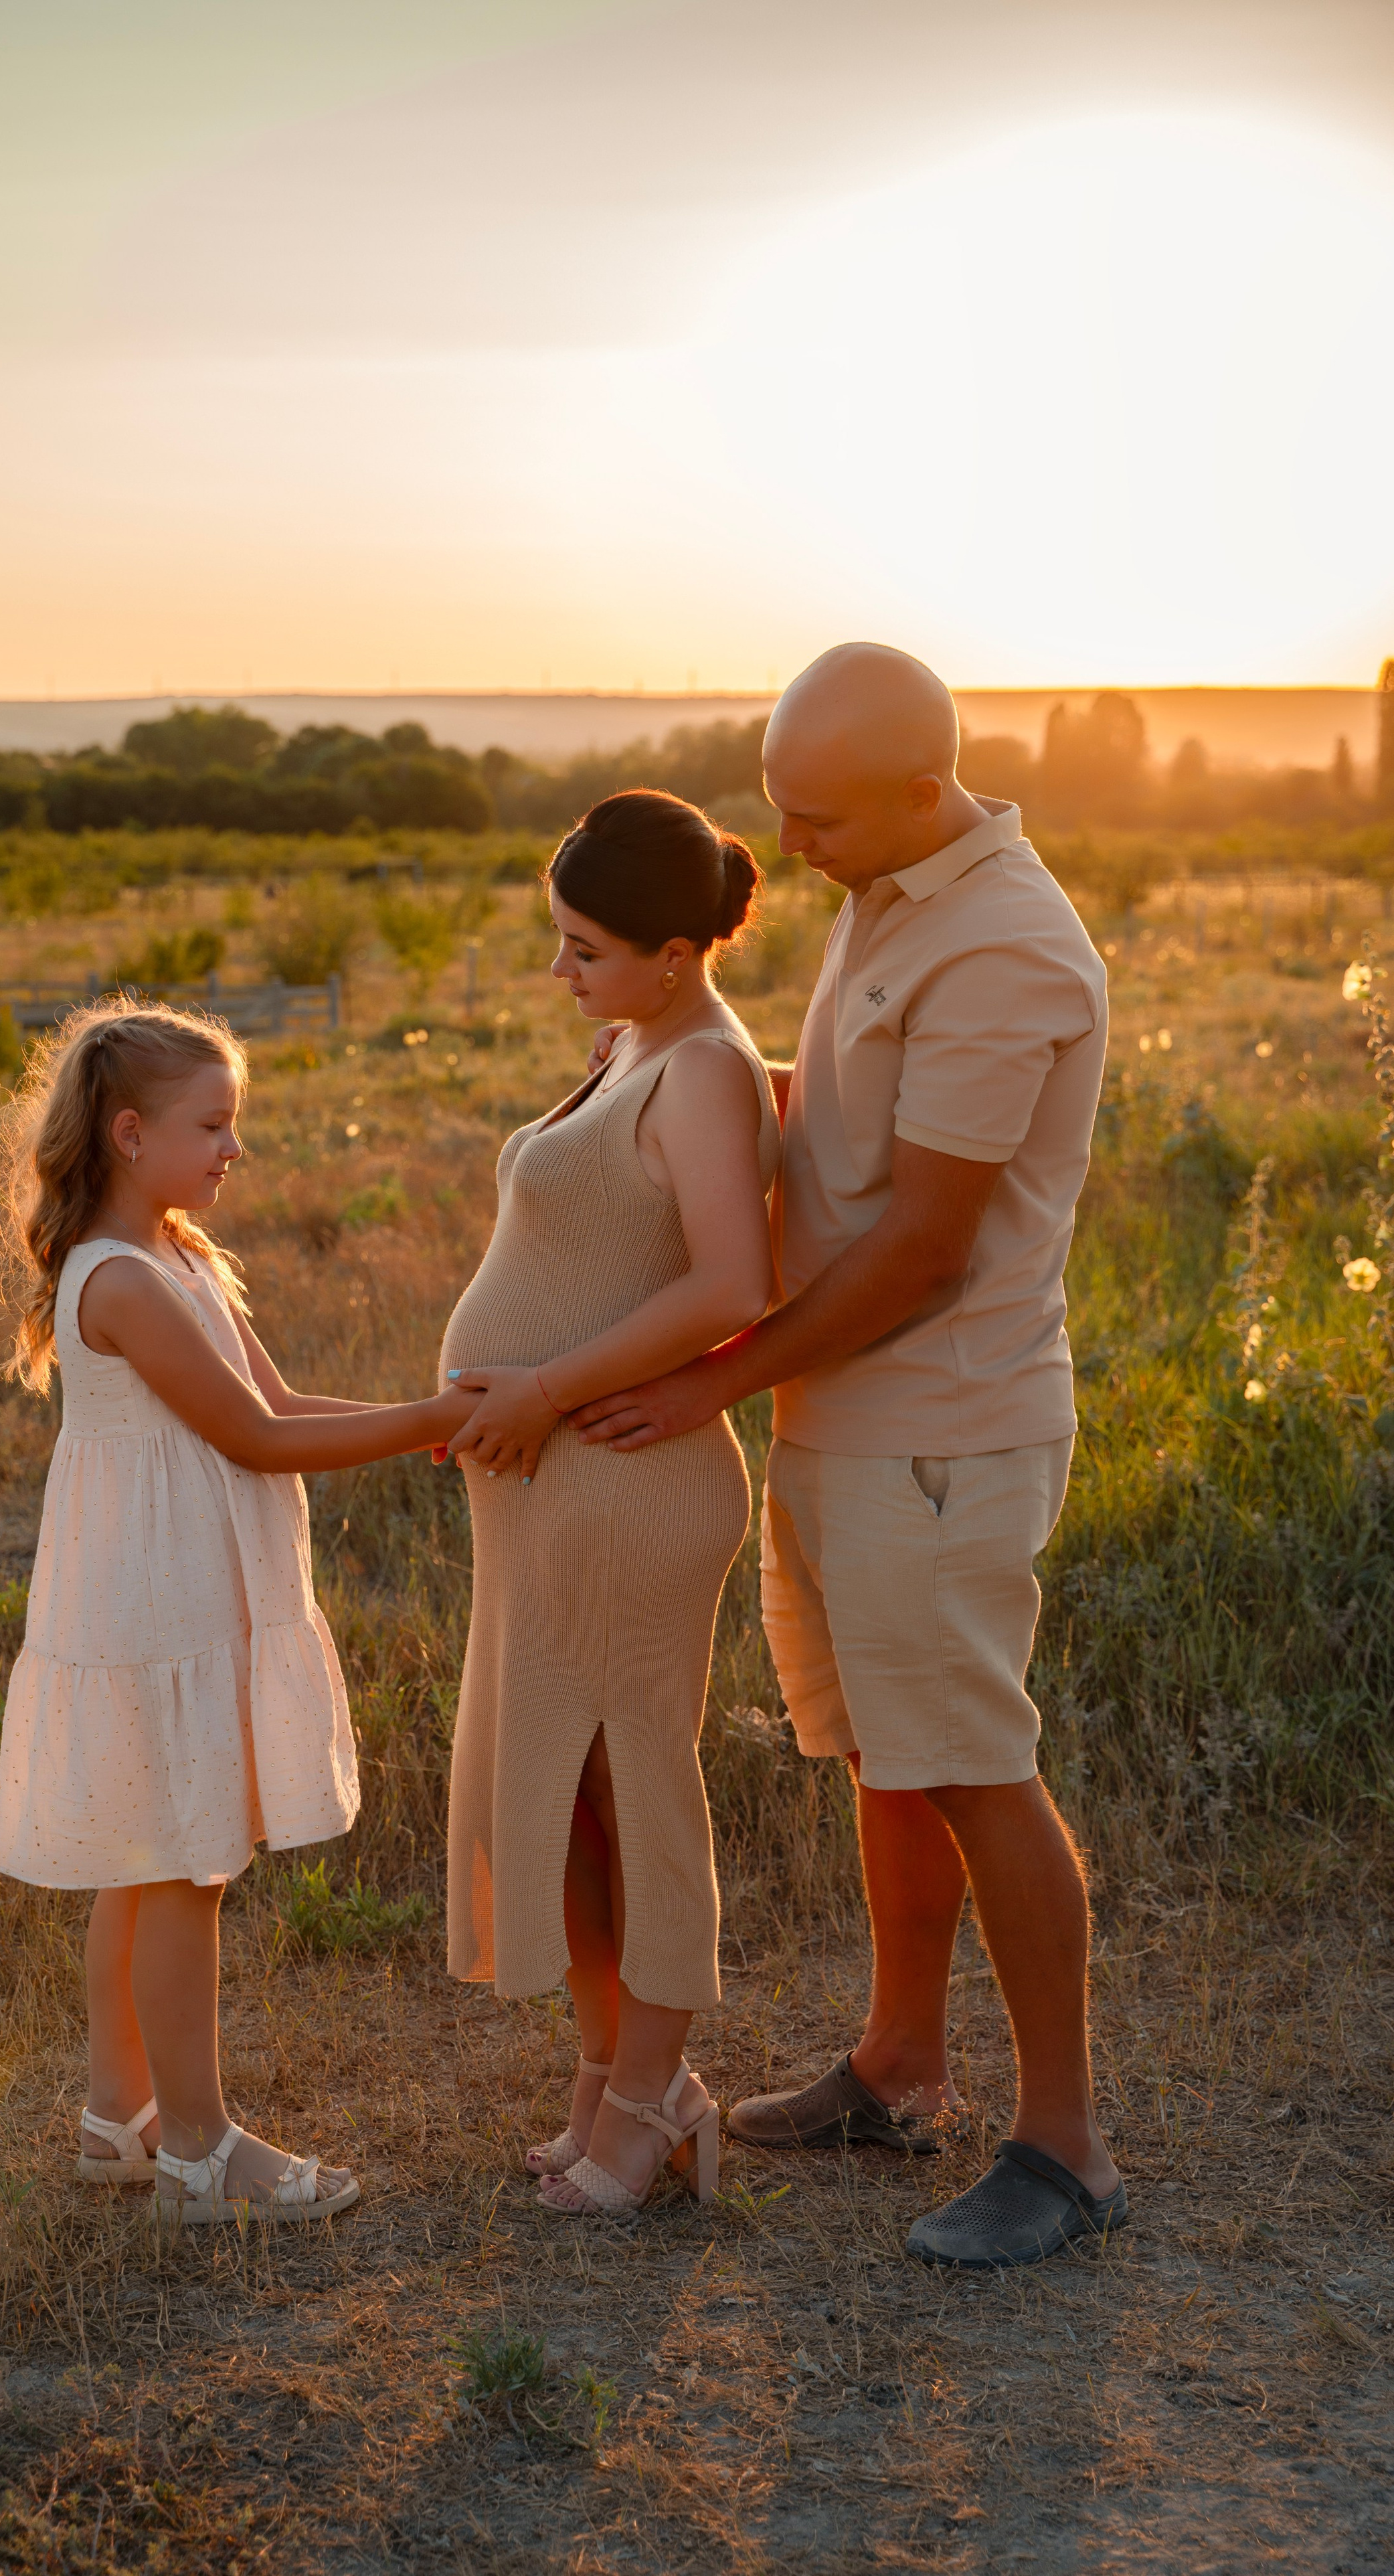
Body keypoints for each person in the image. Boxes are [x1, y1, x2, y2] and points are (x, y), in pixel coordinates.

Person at [572, 645, 1124, 2269]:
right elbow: (853, 1137)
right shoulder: (890, 892)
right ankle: (897, 2064)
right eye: (777, 812)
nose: (787, 848)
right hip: (852, 1418)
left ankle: (1065, 2146)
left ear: (913, 787)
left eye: (812, 819)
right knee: (891, 1755)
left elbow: (927, 1251)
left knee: (969, 1759)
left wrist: (709, 1385)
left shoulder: (1005, 943)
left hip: (939, 1425)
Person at [0, 999, 476, 2226]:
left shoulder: (183, 1260)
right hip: (155, 1601)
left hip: (179, 1584)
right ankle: (200, 2153)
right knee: (182, 1861)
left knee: (144, 1856)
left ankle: (120, 2119)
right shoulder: (119, 1281)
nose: (233, 1150)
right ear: (129, 1131)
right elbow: (258, 1440)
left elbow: (286, 1400)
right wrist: (443, 1421)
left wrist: (425, 1414)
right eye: (214, 1126)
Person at [440, 789, 780, 2220]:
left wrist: (534, 1391)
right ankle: (610, 2085)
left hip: (624, 1478)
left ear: (677, 949)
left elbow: (730, 1285)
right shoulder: (640, 1042)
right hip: (548, 1487)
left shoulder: (704, 1068)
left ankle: (647, 2106)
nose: (558, 972)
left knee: (628, 1787)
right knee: (568, 1799)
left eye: (583, 948)